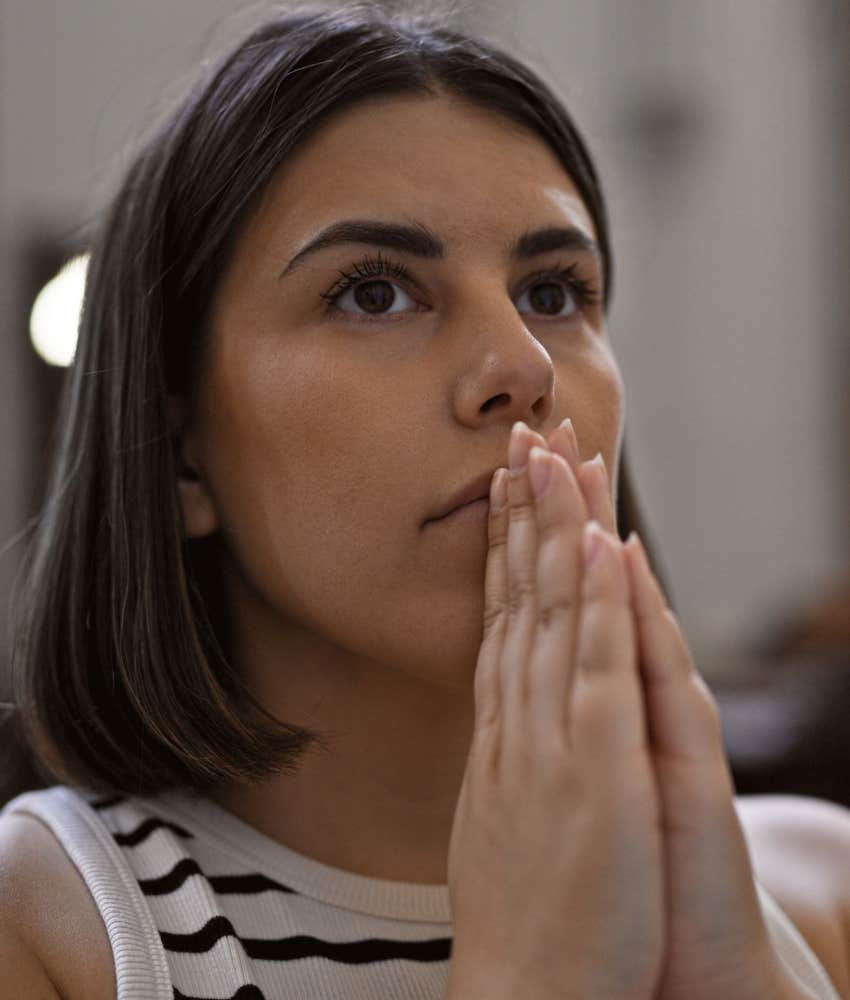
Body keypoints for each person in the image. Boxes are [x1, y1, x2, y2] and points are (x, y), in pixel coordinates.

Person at [0, 4, 847, 998]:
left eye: (552, 291)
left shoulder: (821, 890)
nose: (522, 366)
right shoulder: (51, 927)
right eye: (372, 291)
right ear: (182, 454)